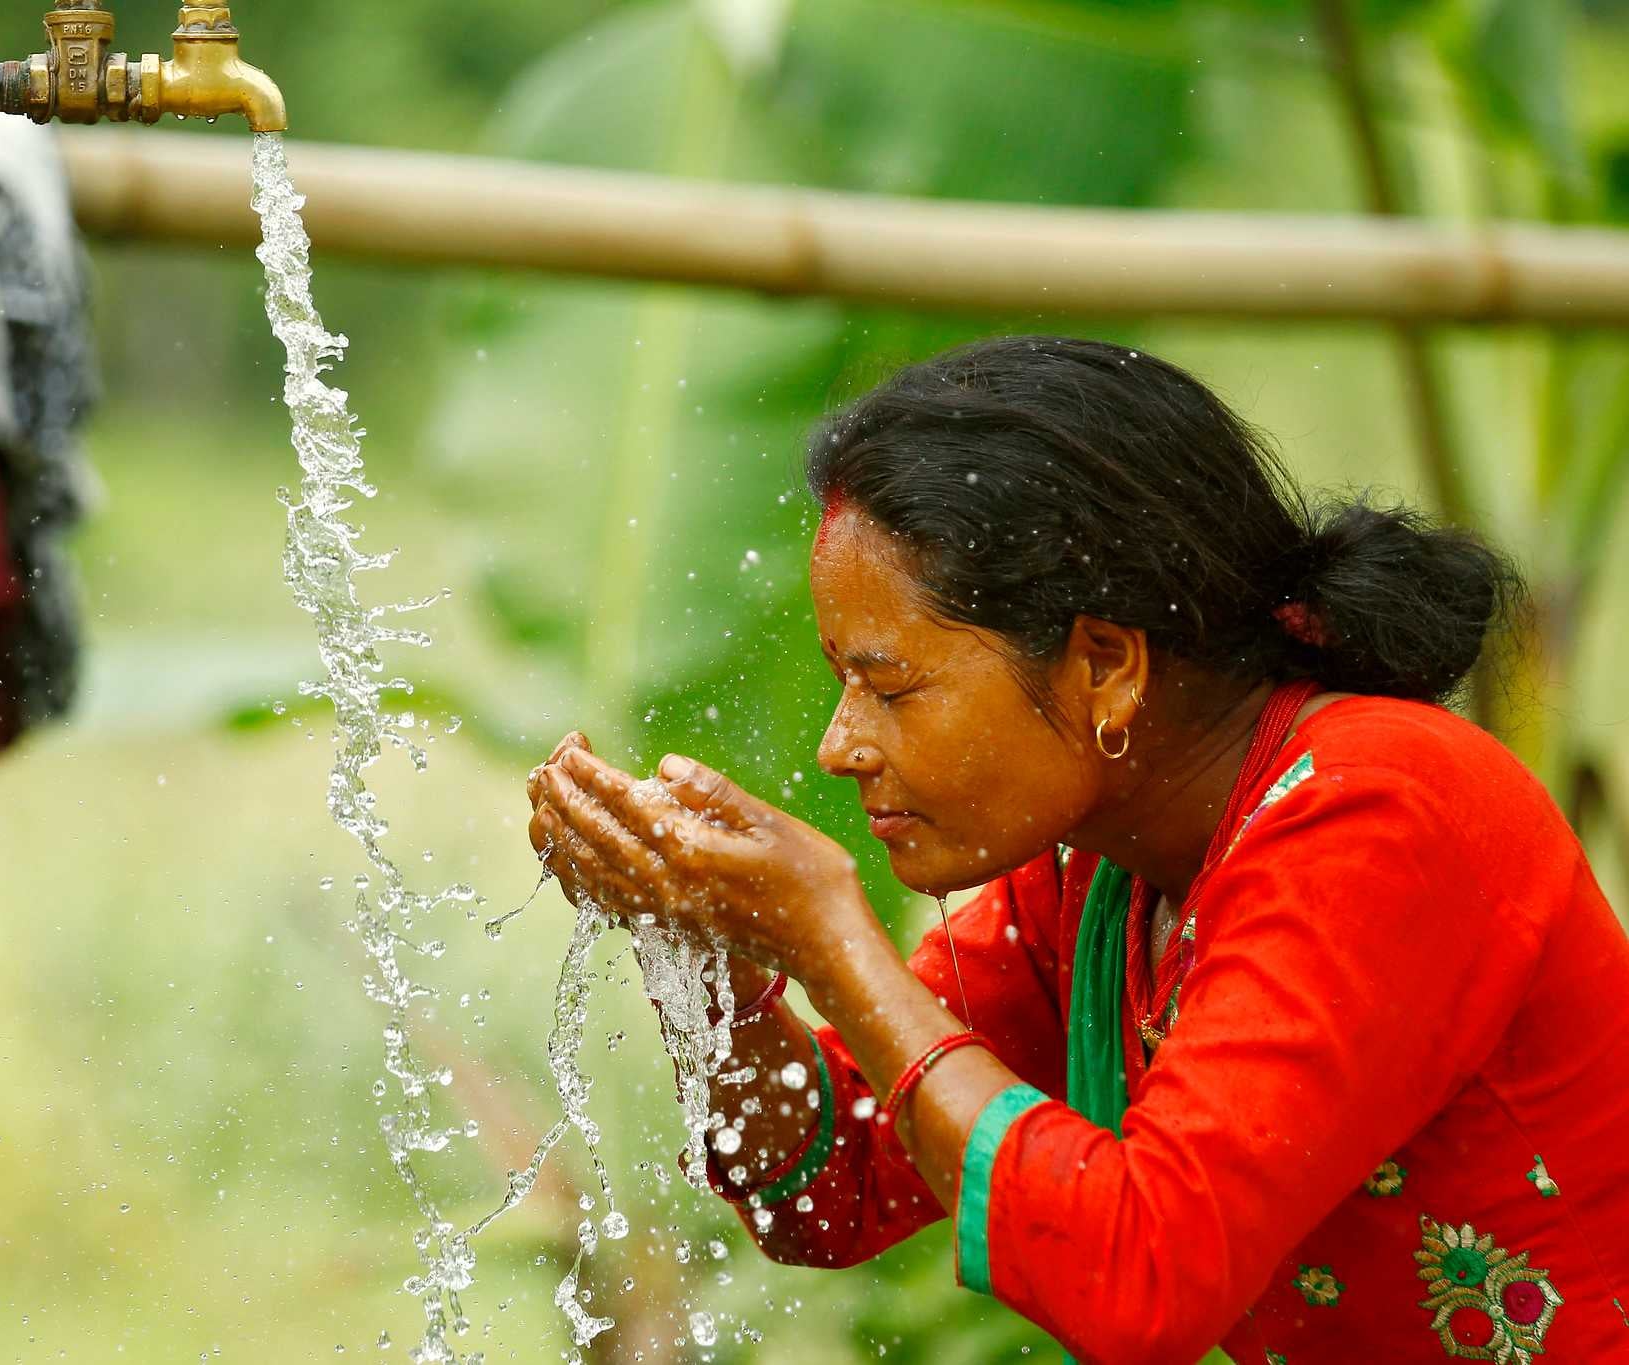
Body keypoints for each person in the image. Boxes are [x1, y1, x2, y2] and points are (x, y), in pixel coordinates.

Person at [526, 336, 1629, 1364]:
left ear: (1105, 663)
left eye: (890, 686)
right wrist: (711, 959)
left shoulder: (1377, 809)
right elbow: (829, 1188)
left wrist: (830, 936)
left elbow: (1142, 1279)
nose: (839, 746)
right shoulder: (1097, 871)